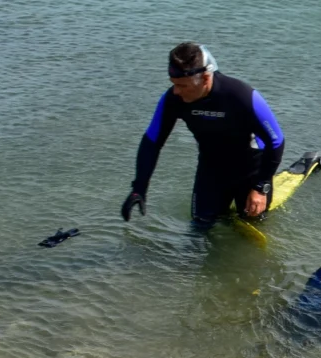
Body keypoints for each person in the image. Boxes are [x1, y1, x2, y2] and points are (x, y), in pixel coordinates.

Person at [121, 42, 285, 227]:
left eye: (183, 85)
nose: (176, 91)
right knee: (199, 227)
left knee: (251, 226)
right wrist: (139, 188)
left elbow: (276, 140)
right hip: (211, 170)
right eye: (173, 84)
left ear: (206, 78)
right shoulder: (174, 99)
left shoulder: (241, 96)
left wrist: (261, 187)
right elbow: (152, 141)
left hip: (251, 171)